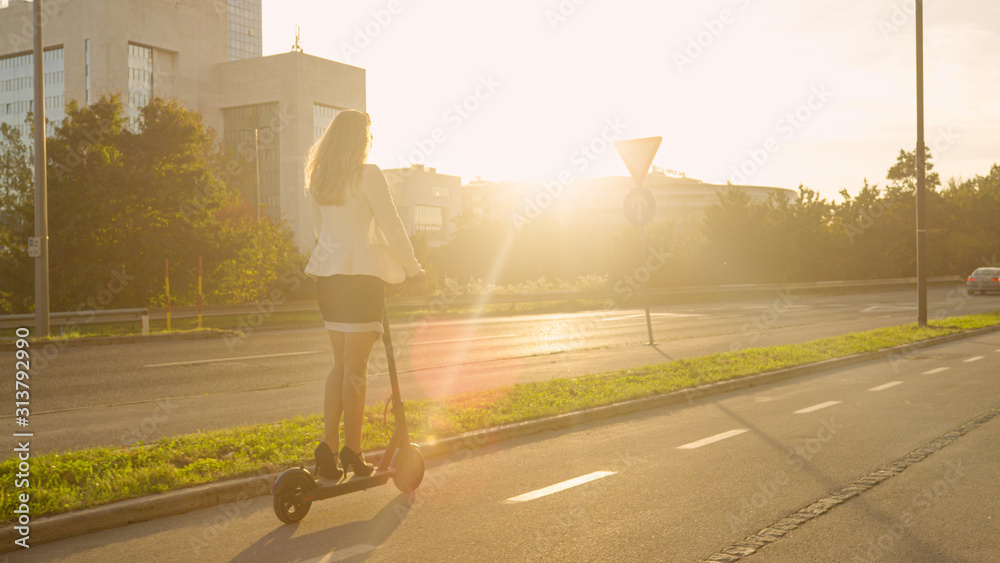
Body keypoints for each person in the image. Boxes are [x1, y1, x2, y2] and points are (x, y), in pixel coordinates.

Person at [303, 109, 423, 479]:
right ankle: (352, 453)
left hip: (329, 281)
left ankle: (328, 447)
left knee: (340, 366)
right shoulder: (368, 175)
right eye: (368, 134)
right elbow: (391, 224)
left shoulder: (319, 179)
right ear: (360, 138)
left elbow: (321, 232)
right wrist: (413, 268)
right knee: (355, 371)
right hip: (361, 282)